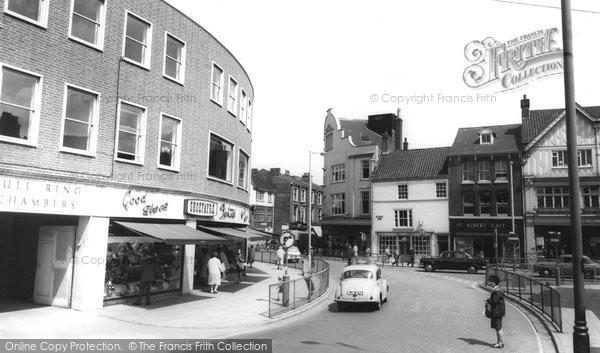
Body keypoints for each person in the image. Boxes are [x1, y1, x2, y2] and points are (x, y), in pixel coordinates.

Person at [486, 275, 506, 348]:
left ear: (494, 283)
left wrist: (488, 300)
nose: (490, 283)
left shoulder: (497, 291)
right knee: (498, 328)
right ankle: (499, 342)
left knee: (498, 328)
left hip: (497, 312)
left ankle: (500, 343)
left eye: (490, 281)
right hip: (498, 311)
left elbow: (494, 301)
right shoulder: (498, 290)